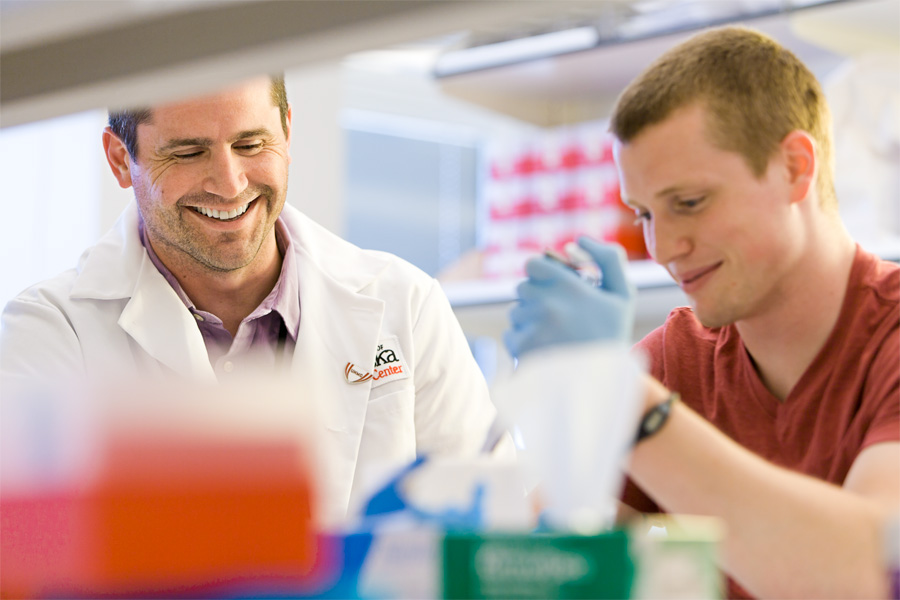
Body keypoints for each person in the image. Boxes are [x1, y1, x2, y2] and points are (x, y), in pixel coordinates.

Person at [0, 75, 507, 526]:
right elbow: (27, 557)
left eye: (251, 143)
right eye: (187, 152)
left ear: (287, 131)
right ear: (119, 159)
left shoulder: (405, 304)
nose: (230, 183)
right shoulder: (49, 332)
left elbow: (495, 527)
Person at [505, 26, 899, 599]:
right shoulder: (674, 360)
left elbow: (869, 572)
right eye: (644, 213)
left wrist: (629, 407)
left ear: (794, 167)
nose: (663, 249)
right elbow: (545, 561)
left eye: (689, 203)